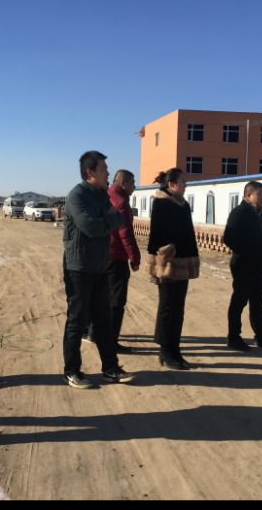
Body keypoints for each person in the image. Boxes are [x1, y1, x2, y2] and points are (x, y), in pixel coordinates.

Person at [62, 151, 136, 388]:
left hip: (101, 266)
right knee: (77, 320)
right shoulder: (77, 196)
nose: (108, 173)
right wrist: (106, 220)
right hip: (79, 267)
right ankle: (72, 371)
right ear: (90, 172)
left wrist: (105, 219)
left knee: (104, 320)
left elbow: (118, 220)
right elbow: (90, 227)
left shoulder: (102, 195)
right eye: (104, 168)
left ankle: (110, 368)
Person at [147, 168, 200, 370]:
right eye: (183, 181)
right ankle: (165, 350)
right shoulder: (161, 203)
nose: (186, 185)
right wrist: (167, 252)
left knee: (178, 308)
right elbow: (157, 235)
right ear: (172, 184)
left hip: (183, 262)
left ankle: (175, 350)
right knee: (167, 308)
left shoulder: (183, 204)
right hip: (168, 262)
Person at [83, 169, 141, 353]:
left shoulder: (105, 196)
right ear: (123, 183)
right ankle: (110, 342)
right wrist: (135, 257)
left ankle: (91, 332)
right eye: (132, 183)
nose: (134, 186)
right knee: (116, 301)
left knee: (99, 297)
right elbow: (125, 234)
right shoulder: (121, 202)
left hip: (100, 255)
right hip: (116, 258)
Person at [222, 181, 262, 351]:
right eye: (259, 194)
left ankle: (261, 337)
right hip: (243, 265)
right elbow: (228, 238)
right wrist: (247, 253)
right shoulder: (239, 212)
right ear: (249, 195)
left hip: (258, 266)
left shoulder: (259, 213)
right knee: (239, 301)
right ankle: (234, 338)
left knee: (257, 301)